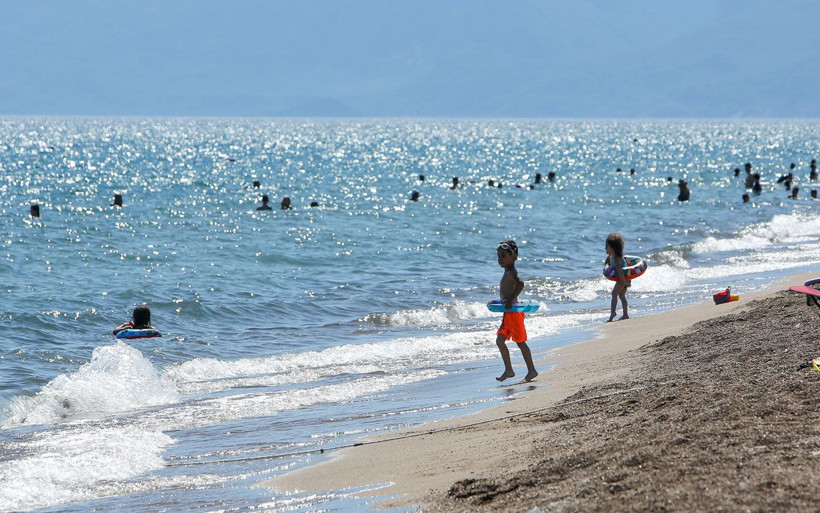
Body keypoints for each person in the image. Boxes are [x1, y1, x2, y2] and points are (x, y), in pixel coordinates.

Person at [493, 240, 538, 383]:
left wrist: (511, 299)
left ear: (514, 257)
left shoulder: (512, 272)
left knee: (520, 342)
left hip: (514, 314)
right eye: (499, 256)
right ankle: (509, 370)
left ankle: (532, 371)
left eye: (503, 256)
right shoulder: (507, 270)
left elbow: (521, 284)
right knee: (500, 340)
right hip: (508, 313)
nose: (500, 259)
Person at [606, 233, 630, 322]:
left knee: (614, 294)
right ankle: (625, 314)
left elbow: (619, 270)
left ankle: (613, 313)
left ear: (613, 248)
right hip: (623, 278)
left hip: (623, 278)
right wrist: (606, 268)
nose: (605, 248)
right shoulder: (610, 256)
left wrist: (624, 282)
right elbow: (607, 262)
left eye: (607, 246)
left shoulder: (617, 258)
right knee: (622, 296)